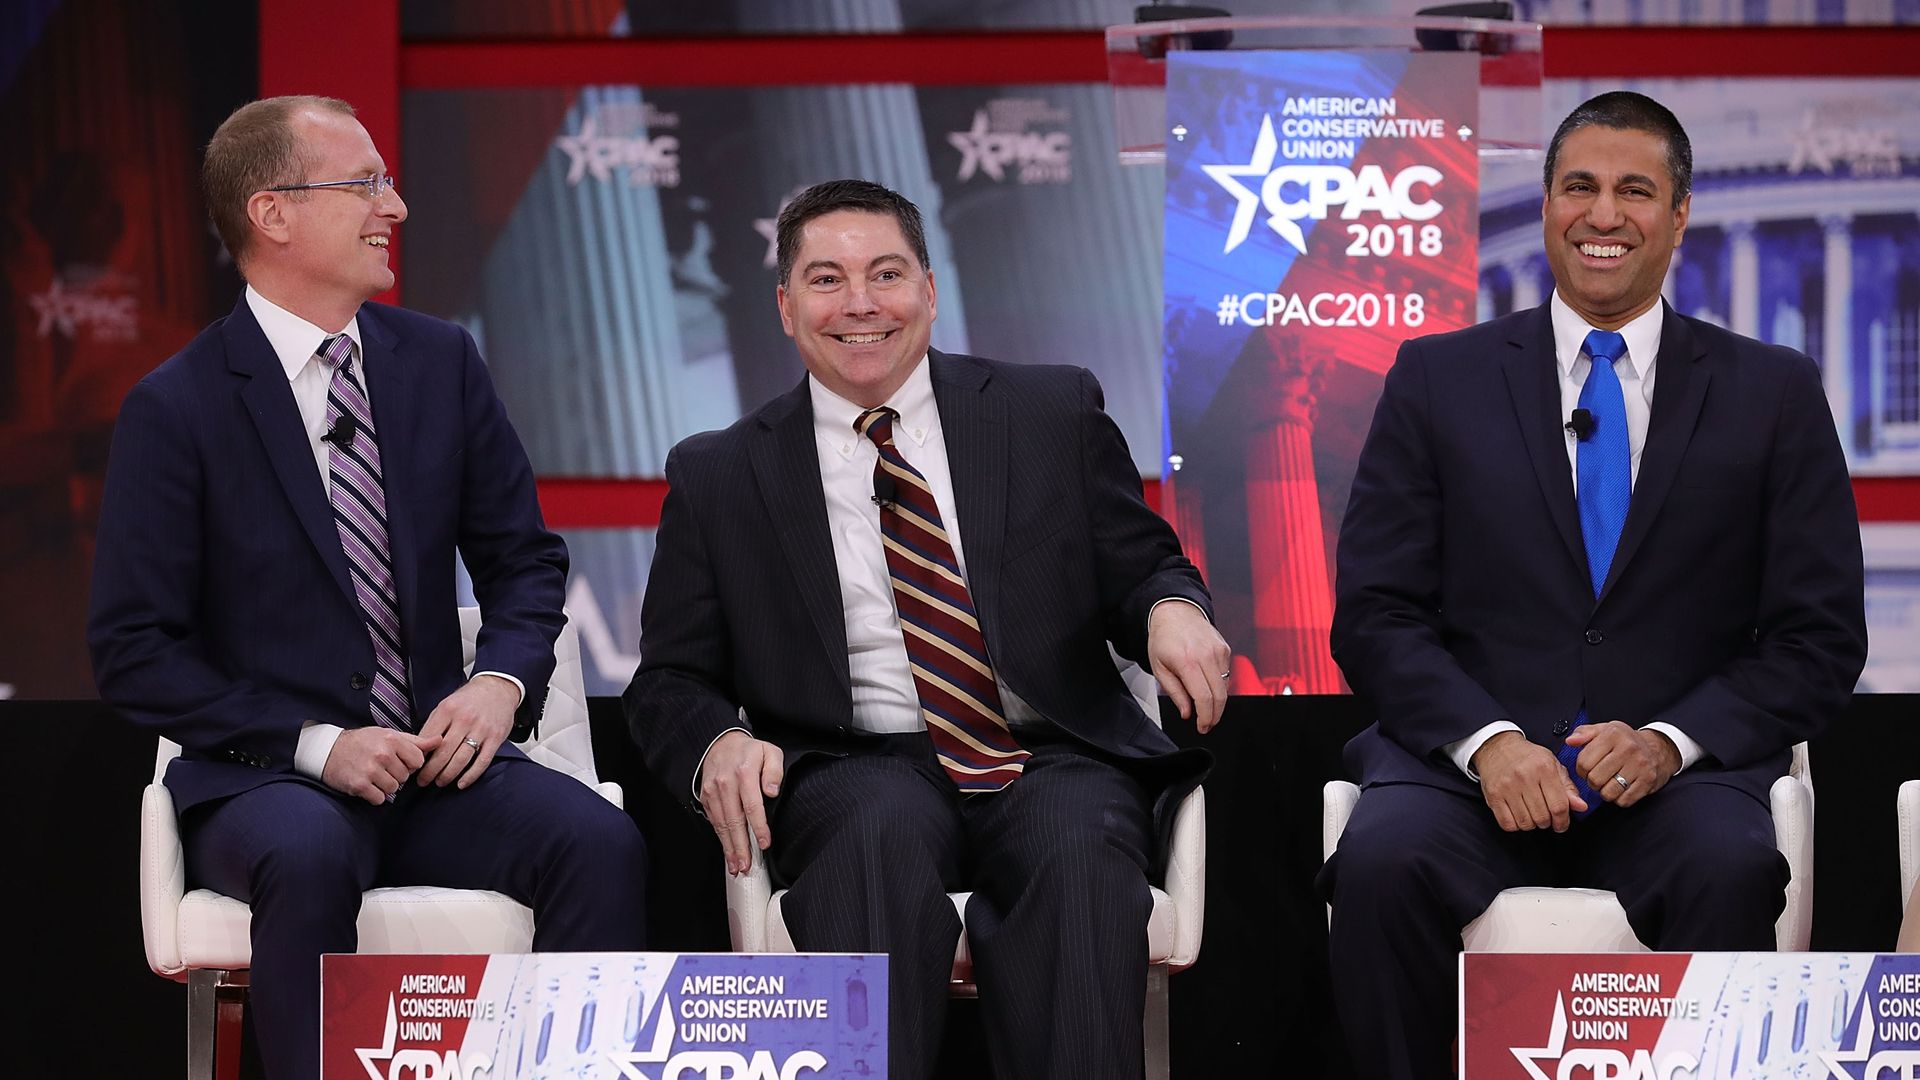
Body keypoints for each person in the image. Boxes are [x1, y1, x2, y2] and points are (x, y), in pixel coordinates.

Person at [86, 96, 647, 1080]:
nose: (396, 203)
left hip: (433, 767)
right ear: (273, 214)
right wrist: (318, 745)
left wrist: (500, 684)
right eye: (366, 183)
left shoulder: (439, 363)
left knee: (598, 843)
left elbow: (524, 562)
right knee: (305, 849)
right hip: (262, 778)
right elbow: (134, 649)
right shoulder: (176, 407)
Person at [624, 178, 1230, 1080]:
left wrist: (1172, 611)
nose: (861, 304)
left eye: (887, 273)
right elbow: (671, 677)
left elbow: (1142, 568)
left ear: (931, 290)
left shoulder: (1049, 412)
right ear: (785, 307)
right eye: (826, 280)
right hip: (854, 766)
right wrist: (715, 740)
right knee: (872, 848)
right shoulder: (720, 473)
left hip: (1044, 751)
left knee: (1078, 854)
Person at [1322, 91, 1867, 1079]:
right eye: (1580, 187)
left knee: (1732, 867)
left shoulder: (1772, 391)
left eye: (1634, 191)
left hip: (1677, 784)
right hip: (1464, 778)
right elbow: (1375, 612)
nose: (1604, 215)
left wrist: (1669, 741)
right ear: (1545, 206)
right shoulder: (1437, 379)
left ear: (1680, 213)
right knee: (1378, 864)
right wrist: (1489, 744)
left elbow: (1818, 639)